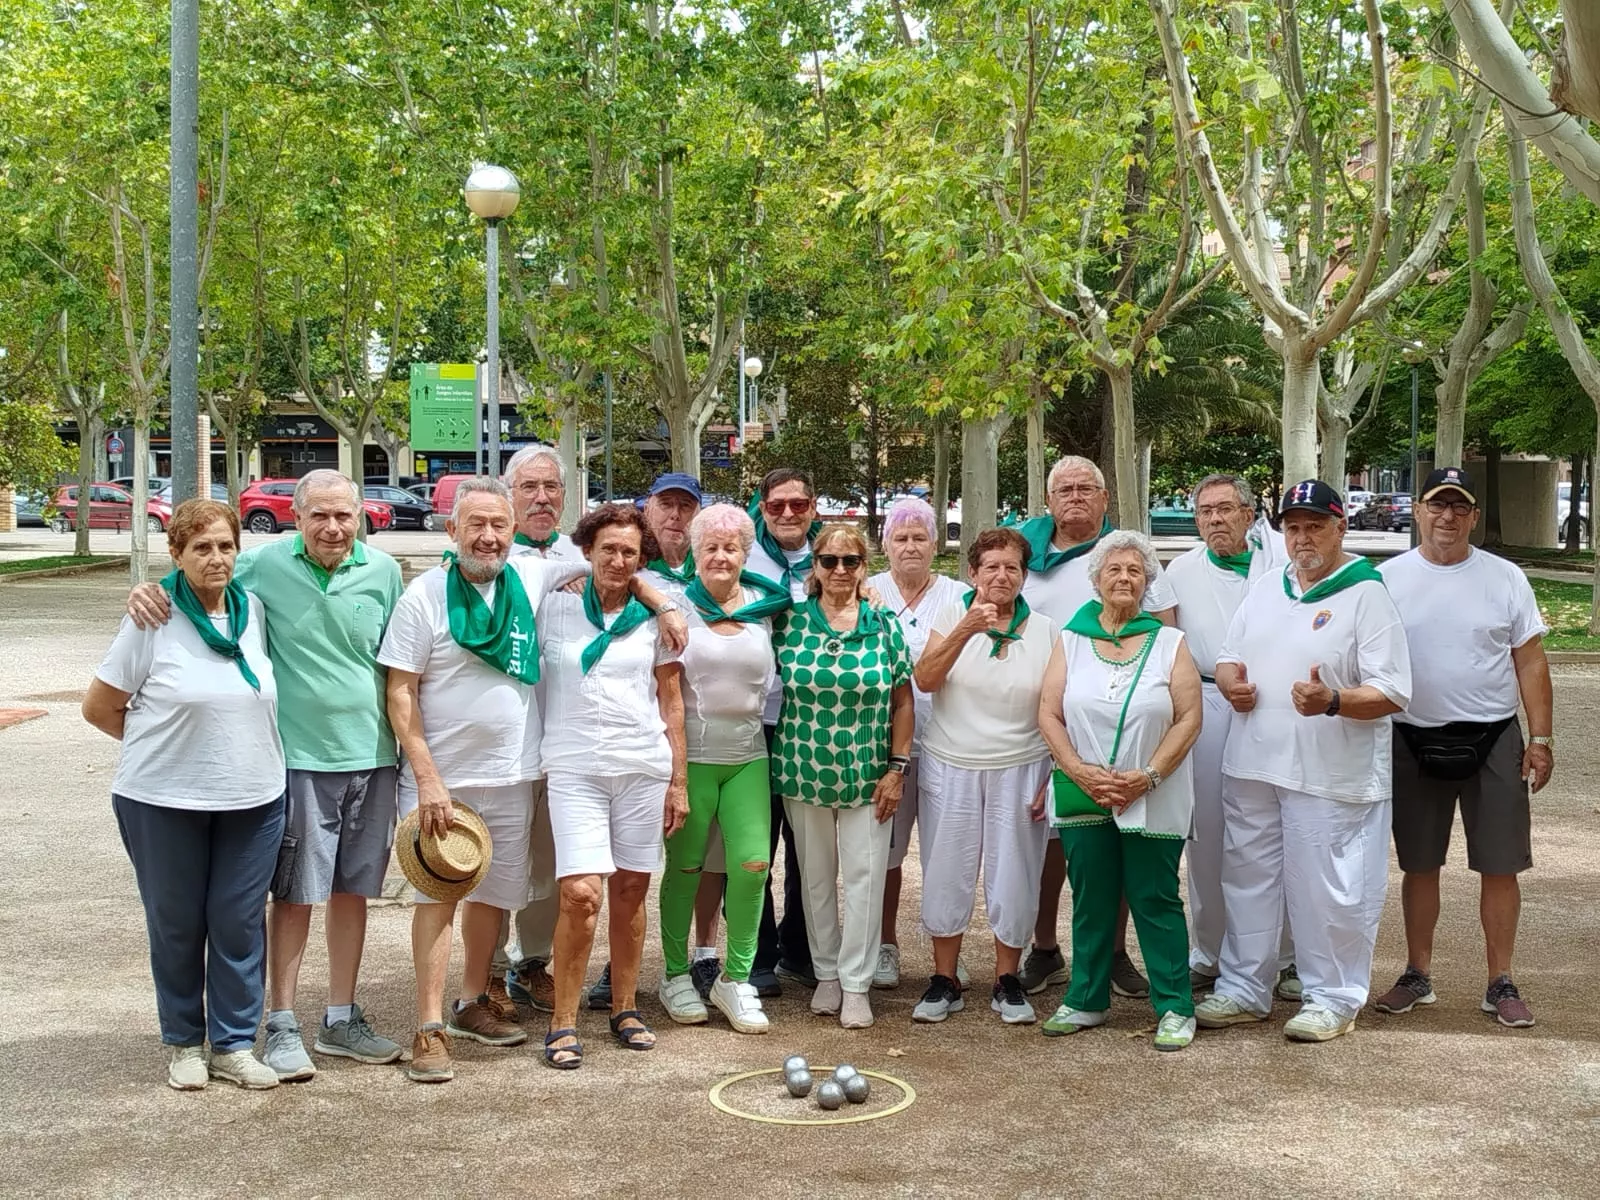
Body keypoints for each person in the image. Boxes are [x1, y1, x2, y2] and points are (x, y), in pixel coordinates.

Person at [125, 469, 406, 1080]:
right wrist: (146, 592)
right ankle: (280, 1025)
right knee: (295, 896)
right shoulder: (264, 568)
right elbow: (200, 584)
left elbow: (397, 662)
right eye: (319, 516)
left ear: (361, 516)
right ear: (296, 518)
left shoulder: (383, 572)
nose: (333, 527)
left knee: (353, 891)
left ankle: (340, 1018)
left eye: (344, 515)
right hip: (299, 760)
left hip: (374, 756)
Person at [379, 479, 592, 1083]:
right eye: (476, 524)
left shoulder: (527, 576)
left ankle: (473, 1001)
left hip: (513, 773)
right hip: (444, 780)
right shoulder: (424, 596)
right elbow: (401, 690)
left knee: (495, 896)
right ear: (451, 530)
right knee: (438, 898)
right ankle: (427, 1027)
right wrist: (426, 778)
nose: (489, 536)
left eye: (500, 524)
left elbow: (612, 555)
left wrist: (659, 602)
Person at [1197, 480, 1411, 1043]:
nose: (1302, 537)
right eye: (1293, 526)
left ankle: (1332, 997)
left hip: (1329, 773)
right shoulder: (1268, 587)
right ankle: (1244, 987)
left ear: (1341, 527)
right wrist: (1231, 683)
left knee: (1329, 888)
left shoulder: (1367, 593)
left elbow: (1394, 690)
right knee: (1246, 880)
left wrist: (1334, 701)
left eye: (1315, 525)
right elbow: (1227, 656)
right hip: (1253, 763)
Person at [83, 499, 286, 1090]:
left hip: (254, 798)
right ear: (176, 554)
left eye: (225, 546)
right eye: (201, 548)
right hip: (162, 799)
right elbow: (100, 708)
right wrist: (167, 745)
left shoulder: (253, 613)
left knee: (238, 921)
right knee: (176, 923)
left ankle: (232, 1044)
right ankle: (182, 1043)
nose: (215, 558)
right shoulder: (152, 617)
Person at [1375, 467, 1554, 1027]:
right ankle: (1417, 973)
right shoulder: (1385, 579)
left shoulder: (1504, 578)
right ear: (1418, 510)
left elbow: (1530, 660)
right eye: (1437, 505)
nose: (1447, 517)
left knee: (1501, 866)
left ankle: (1500, 981)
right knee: (1419, 865)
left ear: (1473, 516)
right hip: (1412, 736)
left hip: (1494, 736)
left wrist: (1541, 738)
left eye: (1459, 507)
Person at [1016, 454, 1178, 1000]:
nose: (1076, 496)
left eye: (1088, 488)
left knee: (1122, 829)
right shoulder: (1024, 554)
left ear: (1106, 499)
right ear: (1048, 498)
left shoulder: (1128, 556)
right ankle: (1045, 949)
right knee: (1050, 843)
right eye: (1065, 488)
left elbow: (1163, 637)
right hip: (1038, 718)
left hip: (1115, 722)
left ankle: (1112, 951)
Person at [1036, 531, 1203, 1050]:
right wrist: (1077, 770)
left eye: (1135, 570)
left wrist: (1148, 775)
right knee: (1091, 897)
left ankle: (1174, 1006)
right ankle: (1086, 998)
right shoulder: (1071, 639)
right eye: (1115, 570)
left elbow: (1189, 717)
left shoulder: (1169, 642)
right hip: (1083, 785)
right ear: (1097, 580)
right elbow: (1049, 711)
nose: (1125, 578)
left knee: (1155, 897)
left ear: (1147, 582)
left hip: (1154, 788)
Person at [538, 503, 688, 1068]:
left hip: (643, 768)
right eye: (609, 550)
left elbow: (672, 703)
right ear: (587, 551)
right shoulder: (554, 604)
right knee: (581, 895)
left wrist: (679, 782)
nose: (619, 560)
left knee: (630, 891)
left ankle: (624, 1006)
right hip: (575, 768)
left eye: (630, 552)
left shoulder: (659, 619)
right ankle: (563, 1019)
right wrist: (654, 592)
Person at [910, 527, 1055, 1025]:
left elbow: (1057, 708)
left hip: (1022, 763)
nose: (1001, 575)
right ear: (971, 573)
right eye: (990, 566)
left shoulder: (1048, 631)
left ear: (1023, 575)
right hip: (952, 763)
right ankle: (945, 978)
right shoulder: (951, 616)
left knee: (1015, 873)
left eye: (1011, 567)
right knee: (946, 870)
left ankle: (1006, 979)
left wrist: (1053, 772)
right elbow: (925, 679)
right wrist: (965, 630)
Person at [773, 524, 915, 1029]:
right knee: (813, 879)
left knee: (865, 878)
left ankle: (857, 983)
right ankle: (828, 973)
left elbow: (903, 699)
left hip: (869, 772)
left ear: (863, 568)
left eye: (849, 562)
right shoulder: (788, 621)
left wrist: (897, 769)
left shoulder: (883, 623)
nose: (838, 571)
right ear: (814, 566)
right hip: (803, 767)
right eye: (828, 561)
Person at [1164, 473, 1300, 1000]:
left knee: (1276, 827)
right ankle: (1211, 951)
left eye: (1225, 509)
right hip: (1208, 704)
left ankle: (1286, 957)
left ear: (1249, 513)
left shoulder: (1281, 567)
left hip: (1274, 704)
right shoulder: (1179, 571)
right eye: (1205, 512)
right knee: (1209, 835)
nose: (1215, 520)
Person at [657, 503, 791, 1033]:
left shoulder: (767, 604)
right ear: (695, 552)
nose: (720, 556)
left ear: (745, 553)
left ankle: (734, 978)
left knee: (754, 864)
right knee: (686, 868)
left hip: (748, 756)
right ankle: (673, 974)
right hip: (692, 755)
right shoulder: (674, 607)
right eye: (710, 547)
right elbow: (667, 692)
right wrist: (677, 777)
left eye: (731, 547)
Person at [492, 445, 579, 1022]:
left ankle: (533, 963)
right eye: (529, 487)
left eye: (551, 487)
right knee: (499, 862)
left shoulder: (580, 557)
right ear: (509, 495)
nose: (542, 497)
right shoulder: (489, 557)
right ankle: (490, 969)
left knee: (551, 862)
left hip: (567, 741)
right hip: (505, 740)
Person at [866, 497, 965, 989]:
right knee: (885, 852)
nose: (910, 546)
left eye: (920, 537)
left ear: (936, 543)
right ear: (886, 543)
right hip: (883, 750)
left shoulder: (957, 595)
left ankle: (946, 953)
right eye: (900, 538)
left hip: (948, 743)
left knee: (945, 854)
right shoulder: (867, 591)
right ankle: (885, 945)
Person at [744, 467, 825, 994]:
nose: (789, 514)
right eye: (777, 506)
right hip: (754, 720)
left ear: (813, 508)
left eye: (798, 504)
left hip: (810, 722)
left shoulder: (832, 557)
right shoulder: (744, 554)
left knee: (807, 846)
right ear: (763, 508)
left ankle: (802, 949)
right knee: (754, 844)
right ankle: (757, 954)